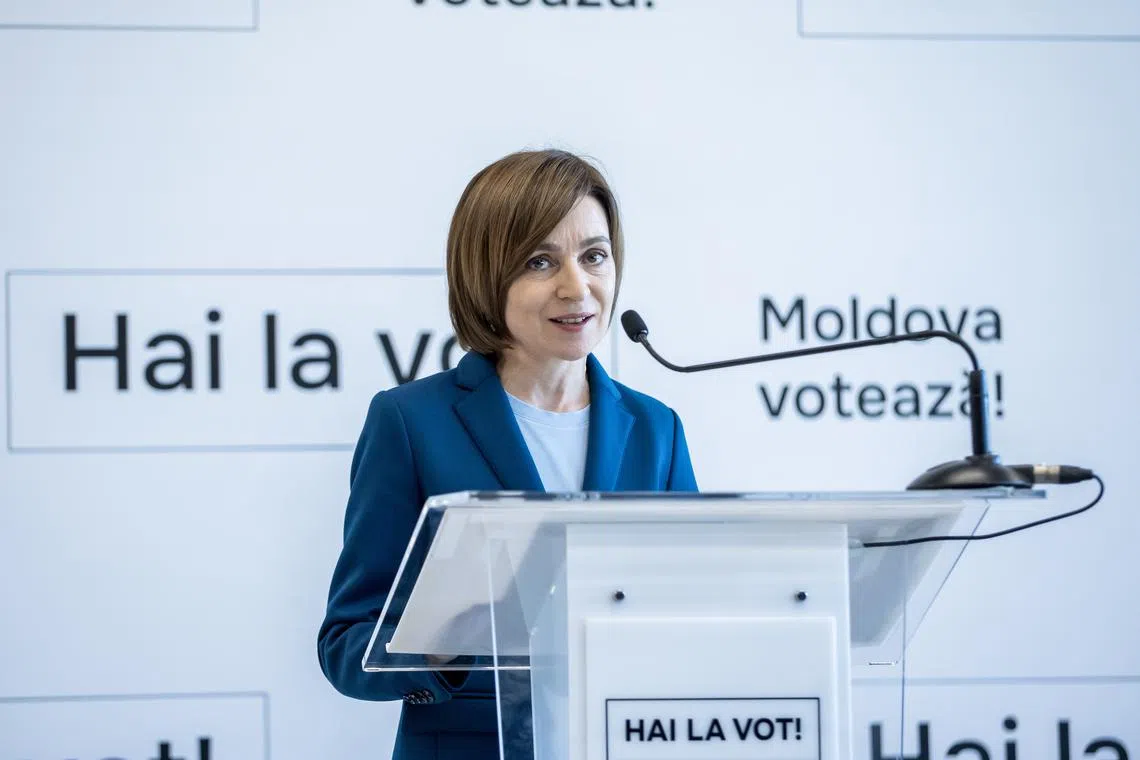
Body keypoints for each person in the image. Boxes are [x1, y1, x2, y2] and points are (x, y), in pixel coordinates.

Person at [317, 149, 699, 759]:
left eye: (594, 256)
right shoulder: (411, 423)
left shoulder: (656, 429)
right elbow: (345, 645)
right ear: (485, 277)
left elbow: (695, 611)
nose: (578, 287)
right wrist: (441, 642)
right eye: (540, 261)